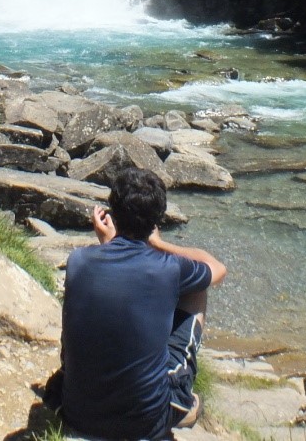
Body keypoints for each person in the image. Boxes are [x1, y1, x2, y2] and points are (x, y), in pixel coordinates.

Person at [52, 168, 228, 440]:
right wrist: (158, 243)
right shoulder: (168, 268)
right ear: (157, 219)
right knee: (197, 290)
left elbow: (121, 275)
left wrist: (109, 243)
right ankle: (185, 405)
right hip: (146, 424)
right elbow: (216, 268)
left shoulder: (78, 260)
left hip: (77, 413)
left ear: (113, 214)